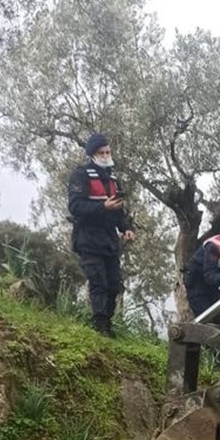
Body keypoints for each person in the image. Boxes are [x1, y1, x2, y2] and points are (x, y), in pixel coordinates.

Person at [67, 133, 135, 337]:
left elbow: (119, 211)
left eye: (108, 152)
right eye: (101, 152)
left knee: (114, 285)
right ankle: (100, 325)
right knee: (98, 283)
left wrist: (126, 228)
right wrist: (102, 206)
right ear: (92, 154)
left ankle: (107, 322)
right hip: (88, 238)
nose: (106, 155)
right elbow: (75, 206)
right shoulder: (81, 175)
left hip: (109, 241)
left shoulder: (114, 179)